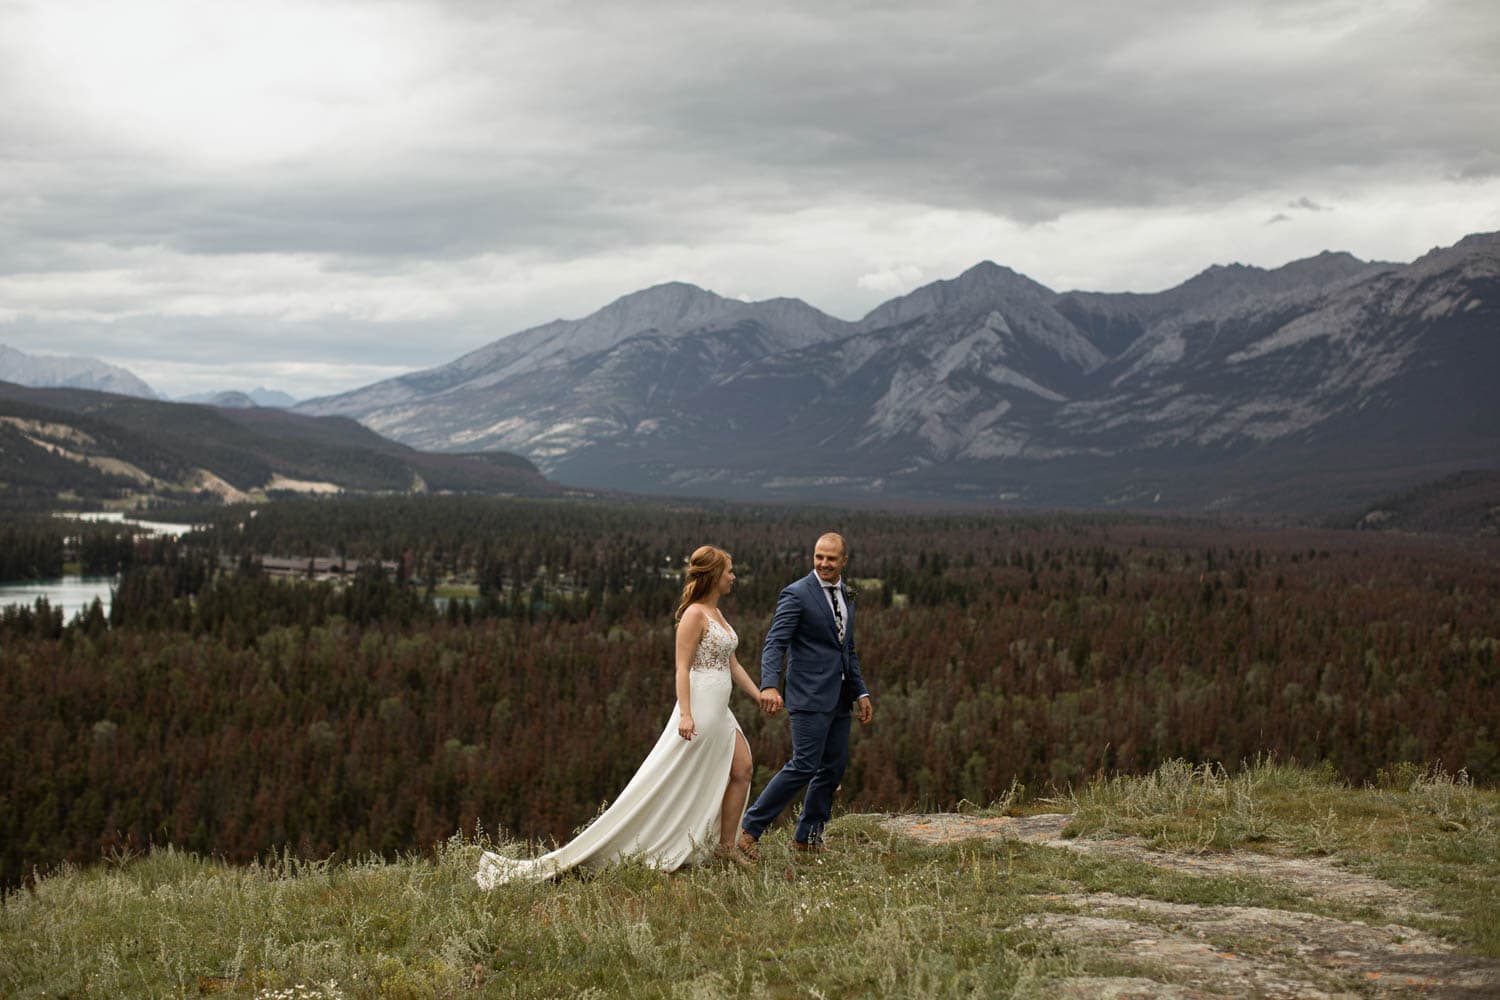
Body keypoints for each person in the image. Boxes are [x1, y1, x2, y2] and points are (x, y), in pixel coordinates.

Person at [475, 545, 762, 887]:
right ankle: (658, 841)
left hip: (721, 710)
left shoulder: (718, 615)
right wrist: (685, 714)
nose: (734, 577)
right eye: (729, 571)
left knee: (742, 769)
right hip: (700, 707)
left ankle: (725, 846)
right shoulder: (694, 615)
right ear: (715, 575)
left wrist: (758, 695)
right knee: (674, 778)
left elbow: (732, 664)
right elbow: (681, 668)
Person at [737, 532, 873, 858]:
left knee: (833, 769)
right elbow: (775, 643)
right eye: (818, 557)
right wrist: (768, 685)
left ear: (844, 561)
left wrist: (861, 691)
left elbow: (847, 649)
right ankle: (748, 831)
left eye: (830, 558)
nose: (823, 563)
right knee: (804, 765)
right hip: (808, 695)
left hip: (840, 697)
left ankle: (807, 839)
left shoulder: (847, 595)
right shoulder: (797, 594)